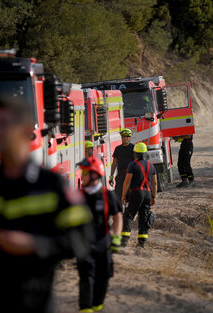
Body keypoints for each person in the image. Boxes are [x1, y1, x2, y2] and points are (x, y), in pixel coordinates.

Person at [0, 96, 93, 313]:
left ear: (26, 131)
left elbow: (82, 236)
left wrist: (35, 245)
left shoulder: (51, 185)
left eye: (4, 124)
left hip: (33, 303)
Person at [77, 156, 123, 313]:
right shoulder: (77, 197)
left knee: (104, 277)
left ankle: (97, 305)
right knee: (86, 278)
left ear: (94, 175)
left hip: (103, 243)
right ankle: (85, 308)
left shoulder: (107, 196)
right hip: (84, 244)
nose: (81, 175)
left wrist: (116, 238)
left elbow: (117, 216)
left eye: (84, 172)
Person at [120, 142, 157, 248]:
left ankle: (124, 241)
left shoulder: (133, 164)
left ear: (135, 153)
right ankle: (142, 242)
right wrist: (154, 196)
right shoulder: (151, 165)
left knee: (128, 216)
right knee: (144, 218)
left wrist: (123, 195)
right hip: (148, 194)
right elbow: (154, 183)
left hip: (136, 193)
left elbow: (127, 181)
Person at [109, 129, 134, 201]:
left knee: (132, 194)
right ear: (121, 137)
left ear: (130, 137)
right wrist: (111, 176)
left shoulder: (133, 148)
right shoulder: (118, 149)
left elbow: (136, 162)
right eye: (124, 136)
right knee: (118, 195)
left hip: (131, 175)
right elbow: (114, 163)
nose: (126, 138)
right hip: (120, 175)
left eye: (127, 136)